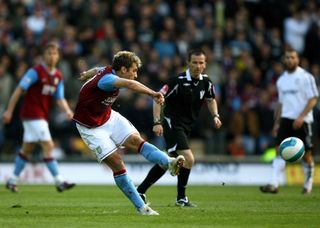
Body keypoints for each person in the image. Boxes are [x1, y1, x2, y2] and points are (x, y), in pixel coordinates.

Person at [73, 51, 185, 215]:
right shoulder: (108, 80)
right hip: (91, 128)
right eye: (134, 70)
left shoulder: (107, 70)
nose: (136, 74)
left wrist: (86, 74)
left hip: (108, 117)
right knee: (118, 163)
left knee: (135, 140)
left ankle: (169, 162)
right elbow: (131, 85)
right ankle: (142, 208)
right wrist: (153, 93)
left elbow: (97, 69)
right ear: (123, 69)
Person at [137, 49, 222, 207]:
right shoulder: (177, 81)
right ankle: (181, 198)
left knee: (166, 162)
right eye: (195, 62)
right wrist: (157, 122)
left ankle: (140, 190)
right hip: (173, 124)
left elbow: (211, 99)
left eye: (201, 62)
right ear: (188, 63)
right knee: (189, 159)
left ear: (205, 64)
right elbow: (157, 98)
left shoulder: (207, 82)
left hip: (187, 126)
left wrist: (215, 115)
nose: (198, 66)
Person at [3, 42, 75, 193]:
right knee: (48, 146)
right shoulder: (35, 71)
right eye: (49, 53)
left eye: (54, 53)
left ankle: (12, 180)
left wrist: (68, 111)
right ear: (44, 55)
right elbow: (18, 90)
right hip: (31, 114)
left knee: (27, 149)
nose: (52, 56)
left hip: (41, 115)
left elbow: (60, 98)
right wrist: (9, 110)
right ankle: (59, 181)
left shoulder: (58, 76)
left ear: (58, 56)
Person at [260, 48, 318, 194]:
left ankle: (308, 184)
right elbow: (280, 104)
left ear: (297, 59)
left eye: (293, 57)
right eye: (287, 58)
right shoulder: (281, 80)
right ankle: (273, 184)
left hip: (303, 121)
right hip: (286, 119)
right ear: (284, 60)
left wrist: (301, 117)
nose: (290, 60)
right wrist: (277, 123)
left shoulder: (306, 77)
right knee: (278, 150)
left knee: (307, 155)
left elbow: (313, 99)